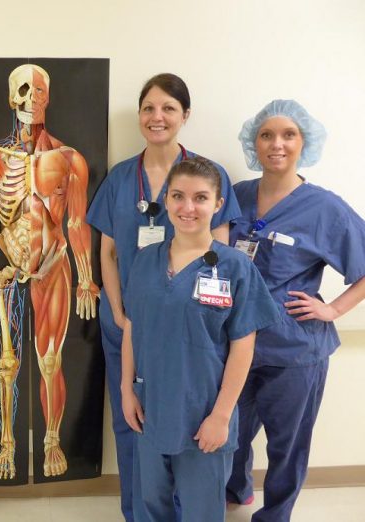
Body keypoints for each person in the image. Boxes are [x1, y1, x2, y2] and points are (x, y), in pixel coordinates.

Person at [85, 73, 240, 520]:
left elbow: (222, 255)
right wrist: (118, 311)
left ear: (184, 116)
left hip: (194, 332)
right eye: (149, 108)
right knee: (134, 423)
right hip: (131, 327)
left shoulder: (207, 176)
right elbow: (108, 254)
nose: (158, 117)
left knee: (193, 426)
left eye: (169, 108)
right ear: (139, 116)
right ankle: (141, 515)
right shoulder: (119, 178)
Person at [226, 100, 365, 521]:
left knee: (288, 442)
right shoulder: (237, 195)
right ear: (255, 142)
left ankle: (275, 515)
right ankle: (235, 490)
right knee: (231, 432)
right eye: (267, 135)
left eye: (289, 135)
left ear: (304, 143)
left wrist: (334, 309)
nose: (277, 144)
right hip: (236, 343)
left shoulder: (325, 208)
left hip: (294, 349)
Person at [121, 157, 279, 522]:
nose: (187, 207)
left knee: (201, 511)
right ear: (167, 198)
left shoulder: (235, 267)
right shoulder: (145, 261)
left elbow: (243, 344)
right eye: (177, 196)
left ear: (218, 204)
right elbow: (133, 327)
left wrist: (221, 417)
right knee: (150, 507)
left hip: (203, 412)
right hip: (150, 408)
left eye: (200, 197)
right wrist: (127, 390)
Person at [0, 63, 99, 479]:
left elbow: (76, 222)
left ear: (49, 98)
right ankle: (6, 444)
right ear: (11, 97)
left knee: (50, 361)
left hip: (54, 266)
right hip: (7, 268)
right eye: (23, 90)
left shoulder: (70, 159)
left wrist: (86, 278)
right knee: (7, 364)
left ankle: (52, 440)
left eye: (39, 91)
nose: (31, 98)